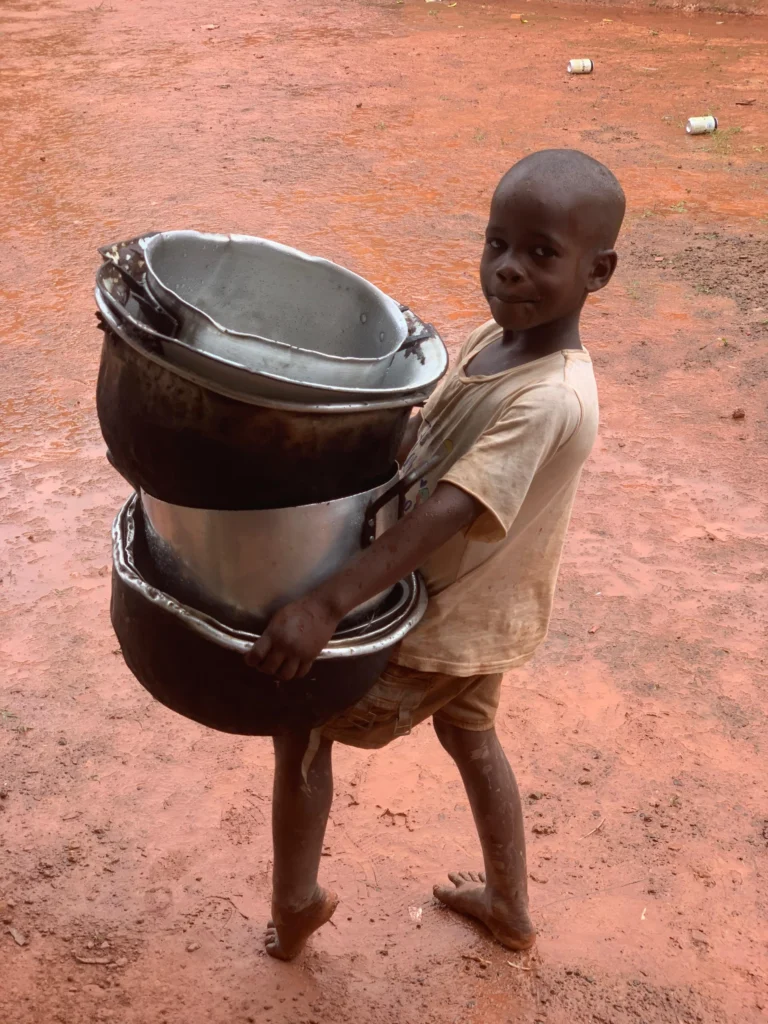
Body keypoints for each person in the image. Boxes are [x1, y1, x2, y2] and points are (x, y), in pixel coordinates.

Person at [246, 148, 626, 961]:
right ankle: (510, 906)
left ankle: (298, 903)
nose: (509, 271)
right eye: (497, 244)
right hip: (487, 614)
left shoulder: (551, 396)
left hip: (437, 625)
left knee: (301, 724)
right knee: (473, 740)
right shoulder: (498, 341)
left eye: (541, 254)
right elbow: (433, 437)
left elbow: (451, 511)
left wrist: (323, 603)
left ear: (600, 271)